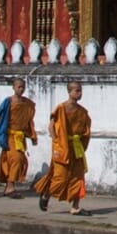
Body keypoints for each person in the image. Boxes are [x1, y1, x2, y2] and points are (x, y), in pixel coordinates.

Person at [35, 80, 91, 216]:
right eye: (76, 90)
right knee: (60, 178)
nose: (79, 93)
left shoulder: (83, 111)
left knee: (78, 177)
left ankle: (75, 207)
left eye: (80, 90)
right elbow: (51, 127)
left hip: (76, 147)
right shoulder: (60, 108)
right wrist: (57, 143)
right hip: (62, 147)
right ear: (69, 92)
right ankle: (47, 194)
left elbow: (86, 130)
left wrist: (81, 143)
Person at [0, 77, 37, 198]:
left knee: (19, 160)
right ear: (13, 87)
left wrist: (32, 135)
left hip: (20, 137)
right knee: (16, 159)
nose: (21, 89)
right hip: (10, 135)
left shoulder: (27, 104)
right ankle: (10, 187)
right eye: (18, 87)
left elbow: (29, 121)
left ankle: (9, 186)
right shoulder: (8, 102)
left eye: (23, 87)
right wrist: (0, 133)